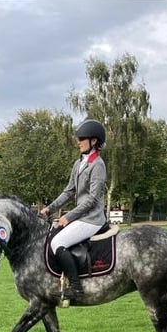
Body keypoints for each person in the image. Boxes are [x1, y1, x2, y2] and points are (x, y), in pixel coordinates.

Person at [40, 118, 108, 300]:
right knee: (52, 236)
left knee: (57, 243)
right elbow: (69, 191)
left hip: (92, 218)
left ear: (93, 141)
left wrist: (68, 217)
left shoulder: (98, 165)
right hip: (82, 217)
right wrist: (51, 208)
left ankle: (76, 288)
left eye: (82, 138)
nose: (78, 142)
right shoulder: (78, 164)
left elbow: (93, 200)